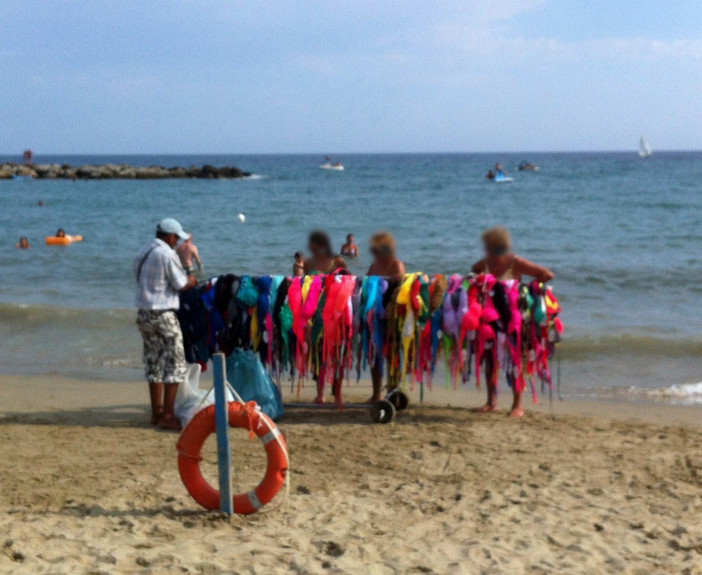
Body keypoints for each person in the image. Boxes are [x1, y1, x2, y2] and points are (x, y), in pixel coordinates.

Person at [472, 226, 554, 418]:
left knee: (515, 360)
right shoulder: (485, 263)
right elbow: (475, 271)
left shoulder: (515, 262)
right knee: (490, 360)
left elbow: (547, 274)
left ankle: (518, 405)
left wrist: (528, 289)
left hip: (514, 319)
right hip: (490, 318)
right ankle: (491, 402)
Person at [134, 218, 197, 430]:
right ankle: (169, 415)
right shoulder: (167, 254)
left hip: (144, 313)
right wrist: (193, 281)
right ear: (169, 236)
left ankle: (156, 412)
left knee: (154, 361)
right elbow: (180, 283)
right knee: (176, 363)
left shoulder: (144, 251)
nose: (177, 242)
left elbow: (139, 278)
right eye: (177, 238)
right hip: (163, 313)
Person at [367, 231, 406, 402]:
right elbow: (366, 289)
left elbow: (404, 290)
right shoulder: (373, 267)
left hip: (393, 317)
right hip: (376, 317)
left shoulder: (397, 265)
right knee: (375, 357)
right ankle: (376, 393)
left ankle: (393, 392)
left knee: (392, 355)